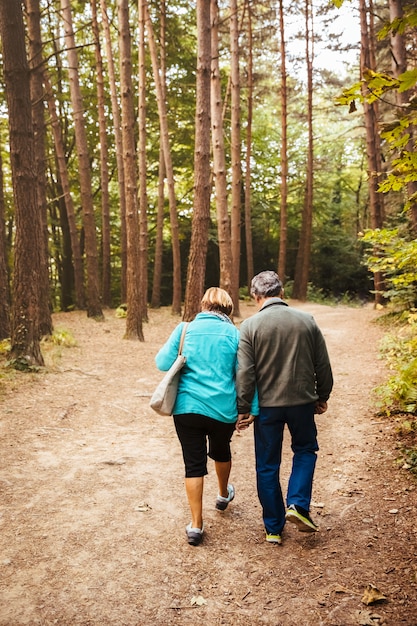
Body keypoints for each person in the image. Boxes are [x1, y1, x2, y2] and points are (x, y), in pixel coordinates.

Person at [236, 270, 333, 545]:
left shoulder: (250, 326)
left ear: (256, 297)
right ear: (282, 293)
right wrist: (322, 394)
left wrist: (244, 407)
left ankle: (273, 528)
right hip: (302, 402)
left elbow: (245, 372)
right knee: (304, 450)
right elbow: (322, 364)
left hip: (267, 407)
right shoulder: (307, 320)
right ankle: (298, 505)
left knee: (267, 465)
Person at [155, 287, 258, 547]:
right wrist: (252, 408)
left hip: (187, 408)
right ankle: (223, 495)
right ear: (227, 309)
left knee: (193, 464)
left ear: (203, 306)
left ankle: (196, 525)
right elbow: (244, 375)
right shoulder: (235, 334)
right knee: (221, 451)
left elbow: (161, 362)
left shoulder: (185, 330)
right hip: (223, 410)